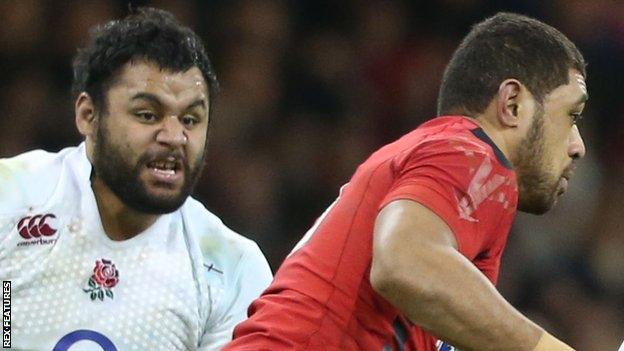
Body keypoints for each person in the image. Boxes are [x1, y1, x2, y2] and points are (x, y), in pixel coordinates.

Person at [224, 12, 587, 351]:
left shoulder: (441, 172)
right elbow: (403, 266)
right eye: (571, 115)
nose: (578, 146)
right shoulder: (470, 152)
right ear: (512, 104)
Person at [0, 7, 272, 351]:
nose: (174, 136)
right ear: (88, 116)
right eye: (147, 114)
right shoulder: (11, 198)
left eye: (190, 119)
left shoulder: (231, 270)